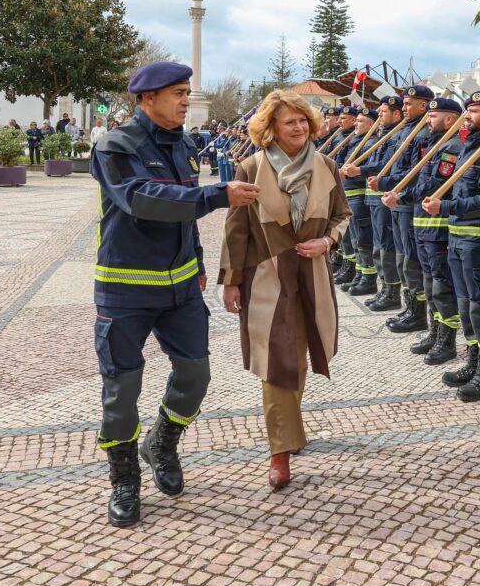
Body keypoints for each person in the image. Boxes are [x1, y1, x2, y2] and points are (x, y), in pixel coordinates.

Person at [90, 61, 261, 527]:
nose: (187, 100)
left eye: (187, 92)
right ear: (148, 98)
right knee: (122, 390)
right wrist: (217, 195)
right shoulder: (116, 145)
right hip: (126, 288)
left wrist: (198, 261)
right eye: (178, 93)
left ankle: (161, 443)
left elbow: (183, 216)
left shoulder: (184, 144)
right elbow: (141, 200)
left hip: (181, 288)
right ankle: (125, 479)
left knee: (195, 375)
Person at [219, 89, 351, 491]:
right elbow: (236, 229)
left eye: (303, 121)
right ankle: (280, 450)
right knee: (278, 359)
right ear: (271, 128)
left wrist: (327, 241)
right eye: (289, 121)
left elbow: (342, 215)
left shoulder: (327, 166)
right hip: (267, 277)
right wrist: (231, 280)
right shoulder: (251, 167)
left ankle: (287, 430)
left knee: (301, 356)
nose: (298, 127)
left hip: (313, 275)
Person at [422, 91, 480, 400]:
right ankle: (473, 362)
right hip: (459, 236)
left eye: (473, 111)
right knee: (464, 305)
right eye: (467, 110)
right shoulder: (470, 148)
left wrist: (445, 207)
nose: (467, 116)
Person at [383, 97, 464, 364]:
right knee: (429, 284)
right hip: (423, 224)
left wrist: (402, 197)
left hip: (439, 228)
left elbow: (435, 183)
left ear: (449, 120)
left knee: (442, 286)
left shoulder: (452, 147)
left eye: (433, 116)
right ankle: (434, 332)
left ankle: (447, 341)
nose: (428, 120)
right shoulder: (434, 143)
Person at [376, 86, 435, 333]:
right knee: (402, 259)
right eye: (404, 103)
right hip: (397, 202)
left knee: (411, 260)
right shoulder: (406, 130)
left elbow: (414, 173)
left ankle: (418, 313)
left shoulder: (423, 134)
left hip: (408, 204)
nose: (404, 108)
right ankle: (410, 307)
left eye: (409, 104)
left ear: (423, 106)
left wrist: (387, 184)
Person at [343, 95, 403, 312]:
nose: (380, 116)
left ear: (396, 114)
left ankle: (391, 292)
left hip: (384, 197)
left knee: (385, 245)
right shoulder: (383, 135)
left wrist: (359, 170)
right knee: (376, 243)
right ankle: (384, 288)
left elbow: (384, 165)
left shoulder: (397, 136)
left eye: (383, 112)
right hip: (373, 197)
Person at [341, 108, 380, 296]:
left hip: (359, 196)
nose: (356, 124)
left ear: (371, 124)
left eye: (360, 121)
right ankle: (359, 273)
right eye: (355, 121)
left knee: (363, 239)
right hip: (350, 196)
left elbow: (368, 171)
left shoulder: (370, 143)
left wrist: (351, 173)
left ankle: (368, 278)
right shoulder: (356, 141)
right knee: (355, 239)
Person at [328, 106, 361, 286]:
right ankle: (342, 262)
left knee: (356, 237)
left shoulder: (360, 139)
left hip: (355, 193)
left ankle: (355, 271)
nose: (339, 121)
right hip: (340, 190)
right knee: (341, 232)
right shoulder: (342, 137)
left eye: (343, 118)